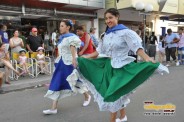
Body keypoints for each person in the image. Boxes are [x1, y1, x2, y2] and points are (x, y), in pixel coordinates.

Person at [75, 8, 168, 122]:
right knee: (116, 94)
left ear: (117, 17)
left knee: (113, 95)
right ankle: (123, 116)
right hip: (108, 68)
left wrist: (147, 58)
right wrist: (86, 57)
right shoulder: (105, 35)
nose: (108, 21)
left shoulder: (126, 32)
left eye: (111, 18)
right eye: (106, 18)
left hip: (122, 67)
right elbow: (98, 51)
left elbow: (137, 48)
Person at [43, 19, 91, 115]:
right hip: (61, 63)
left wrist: (74, 59)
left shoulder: (71, 37)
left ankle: (87, 96)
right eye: (60, 26)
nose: (60, 27)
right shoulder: (62, 38)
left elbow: (73, 47)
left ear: (68, 27)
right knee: (56, 82)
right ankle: (53, 108)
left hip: (70, 63)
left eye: (62, 26)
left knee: (76, 81)